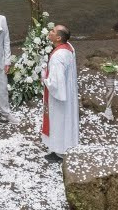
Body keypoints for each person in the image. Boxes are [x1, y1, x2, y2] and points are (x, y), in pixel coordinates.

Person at [40, 23, 79, 163]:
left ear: (57, 38)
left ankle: (59, 150)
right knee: (66, 120)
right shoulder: (69, 48)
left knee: (58, 121)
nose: (50, 31)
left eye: (53, 31)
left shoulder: (57, 57)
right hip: (69, 91)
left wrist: (44, 78)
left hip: (58, 97)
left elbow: (56, 83)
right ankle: (67, 144)